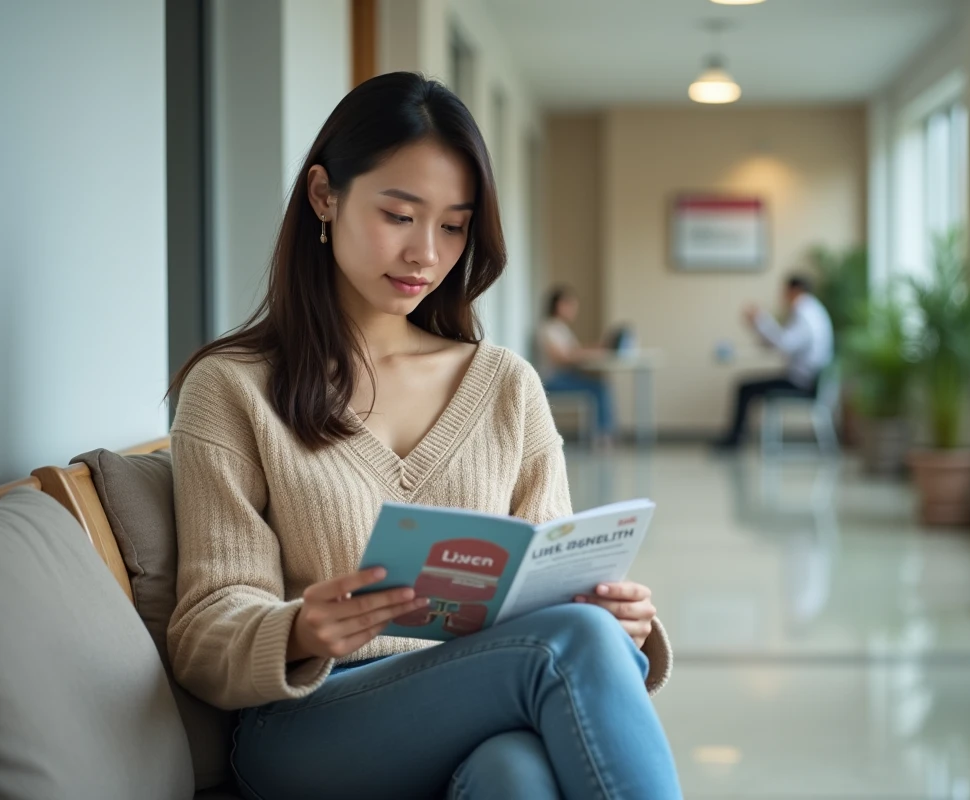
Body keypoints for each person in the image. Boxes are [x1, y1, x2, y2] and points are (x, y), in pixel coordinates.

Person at [166, 73, 680, 800]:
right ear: (324, 195)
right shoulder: (233, 388)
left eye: (453, 226)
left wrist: (617, 615)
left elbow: (552, 583)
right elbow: (203, 631)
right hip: (307, 725)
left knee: (516, 774)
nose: (426, 255)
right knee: (571, 646)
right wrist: (300, 630)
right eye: (400, 215)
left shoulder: (506, 386)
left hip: (484, 695)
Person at [714, 274, 834, 450]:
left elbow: (784, 344)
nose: (783, 297)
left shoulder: (804, 312)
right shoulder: (813, 310)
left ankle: (734, 441)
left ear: (795, 290)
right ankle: (735, 438)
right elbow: (785, 343)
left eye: (785, 292)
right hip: (807, 378)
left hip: (802, 382)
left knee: (744, 387)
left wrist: (761, 320)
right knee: (746, 386)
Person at [536, 286, 616, 445]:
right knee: (598, 388)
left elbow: (574, 351)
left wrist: (595, 349)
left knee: (599, 385)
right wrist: (591, 353)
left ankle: (603, 433)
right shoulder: (548, 328)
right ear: (559, 305)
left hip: (565, 377)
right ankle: (602, 435)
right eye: (570, 305)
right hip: (553, 381)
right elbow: (562, 357)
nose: (574, 310)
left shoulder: (561, 328)